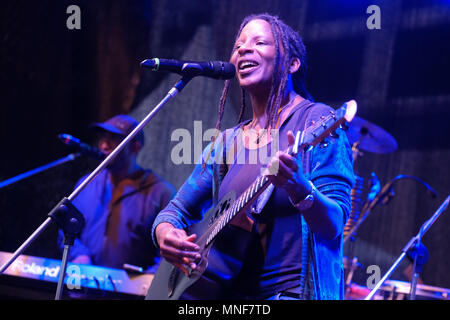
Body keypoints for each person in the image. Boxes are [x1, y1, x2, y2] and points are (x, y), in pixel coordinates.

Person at [149, 13, 355, 300]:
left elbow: (334, 225)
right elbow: (175, 210)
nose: (244, 49)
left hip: (293, 293)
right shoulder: (227, 142)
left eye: (260, 42)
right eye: (239, 45)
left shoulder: (317, 121)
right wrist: (165, 233)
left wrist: (299, 187)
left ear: (293, 63)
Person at [59, 114, 176, 271]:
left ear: (135, 147)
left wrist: (148, 282)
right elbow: (65, 230)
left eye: (113, 139)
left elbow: (170, 251)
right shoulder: (85, 184)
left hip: (132, 292)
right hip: (81, 288)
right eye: (102, 138)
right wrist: (79, 255)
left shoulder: (161, 192)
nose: (104, 145)